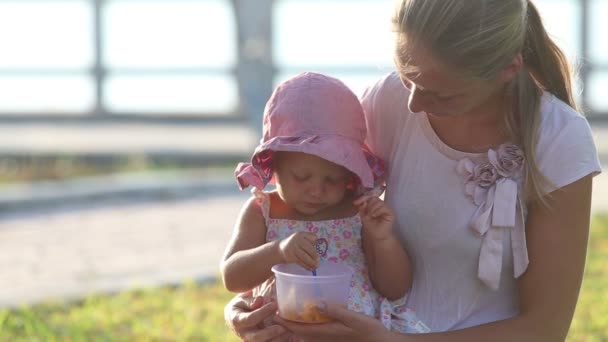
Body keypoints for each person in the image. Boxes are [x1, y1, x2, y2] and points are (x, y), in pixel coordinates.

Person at [225, 0, 602, 341]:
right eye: (407, 75)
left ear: (507, 70)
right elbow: (314, 207)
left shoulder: (557, 138)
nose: (414, 102)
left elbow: (543, 329)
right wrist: (243, 309)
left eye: (442, 95)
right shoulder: (388, 101)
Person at [221, 72, 429, 340]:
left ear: (350, 174)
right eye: (301, 177)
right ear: (274, 166)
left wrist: (383, 239)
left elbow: (395, 288)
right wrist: (278, 251)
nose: (316, 191)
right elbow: (233, 278)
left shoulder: (359, 211)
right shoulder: (263, 210)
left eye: (333, 179)